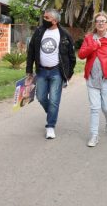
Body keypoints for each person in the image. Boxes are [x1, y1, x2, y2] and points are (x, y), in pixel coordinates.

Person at [26, 9, 76, 139]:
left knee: (54, 101)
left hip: (57, 72)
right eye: (44, 17)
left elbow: (71, 56)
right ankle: (52, 113)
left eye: (46, 18)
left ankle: (50, 126)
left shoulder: (64, 34)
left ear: (55, 20)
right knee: (41, 97)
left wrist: (69, 73)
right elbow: (31, 51)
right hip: (41, 71)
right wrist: (29, 71)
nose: (44, 20)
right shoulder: (39, 32)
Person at [78, 11, 107, 147]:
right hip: (92, 78)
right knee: (95, 108)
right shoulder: (89, 38)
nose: (101, 23)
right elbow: (81, 55)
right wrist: (93, 45)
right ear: (95, 24)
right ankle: (94, 136)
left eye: (103, 21)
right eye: (98, 21)